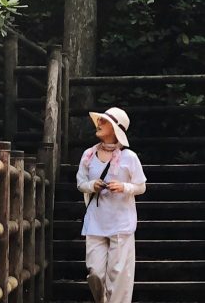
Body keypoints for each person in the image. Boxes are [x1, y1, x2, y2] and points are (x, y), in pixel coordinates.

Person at [75, 107, 147, 303]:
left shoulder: (129, 157)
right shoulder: (88, 154)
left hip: (121, 222)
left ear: (116, 129)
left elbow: (141, 186)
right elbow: (80, 183)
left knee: (119, 278)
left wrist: (123, 186)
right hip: (96, 221)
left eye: (104, 121)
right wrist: (92, 185)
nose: (99, 123)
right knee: (95, 272)